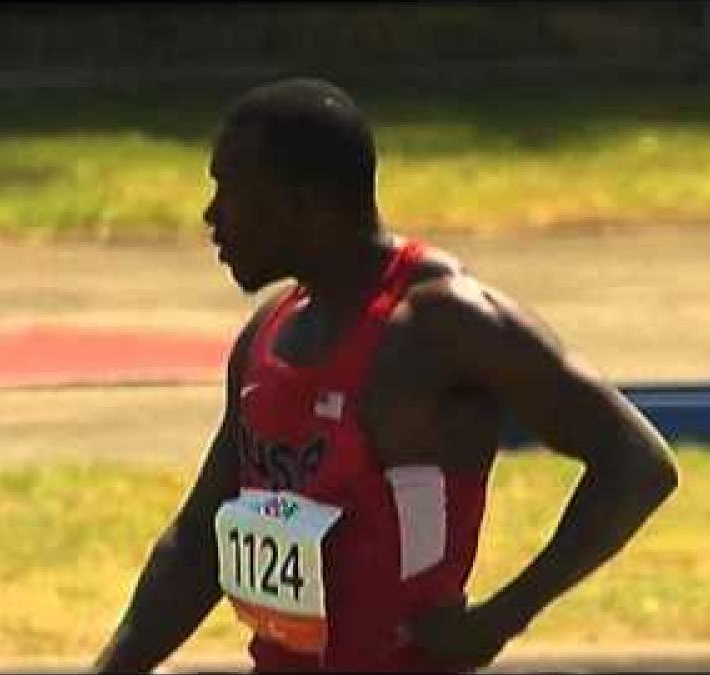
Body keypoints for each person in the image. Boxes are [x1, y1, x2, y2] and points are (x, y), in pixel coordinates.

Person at [93, 78, 679, 673]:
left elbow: (637, 464)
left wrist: (500, 620)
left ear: (304, 201)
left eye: (230, 189)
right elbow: (199, 544)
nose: (211, 215)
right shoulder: (269, 330)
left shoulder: (441, 323)